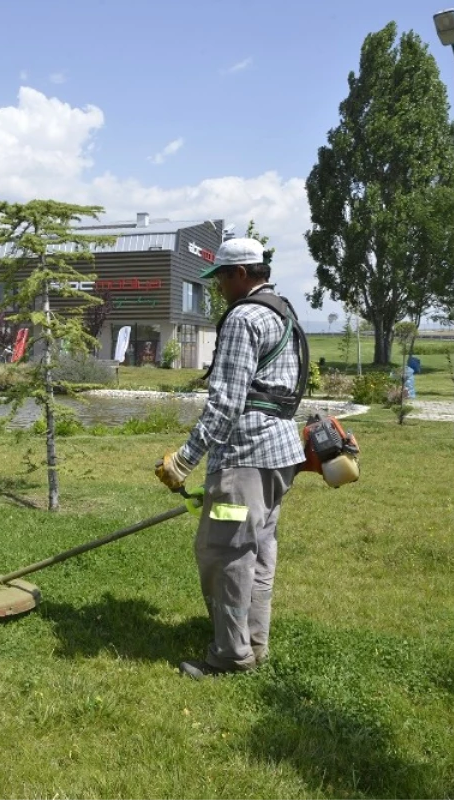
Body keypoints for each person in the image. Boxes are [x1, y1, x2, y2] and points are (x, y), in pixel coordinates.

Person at [155, 237, 307, 679]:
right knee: (257, 552)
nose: (218, 286)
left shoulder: (243, 317)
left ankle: (229, 656)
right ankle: (253, 647)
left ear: (241, 273)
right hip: (279, 458)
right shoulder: (283, 311)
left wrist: (184, 461)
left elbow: (226, 403)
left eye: (220, 277)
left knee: (224, 554)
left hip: (245, 459)